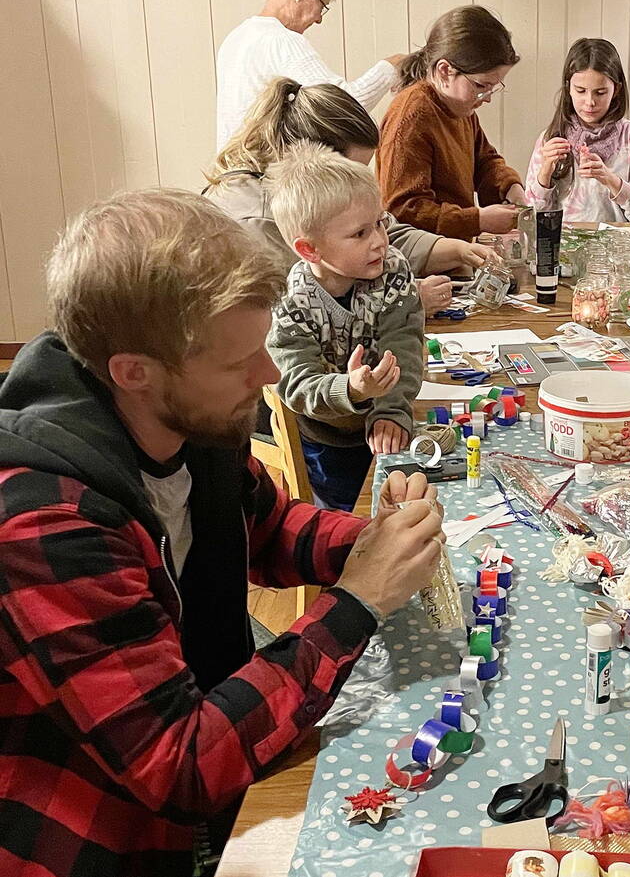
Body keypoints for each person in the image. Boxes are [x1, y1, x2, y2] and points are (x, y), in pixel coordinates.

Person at [0, 189, 444, 877]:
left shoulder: (189, 417)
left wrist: (374, 539)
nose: (267, 377)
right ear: (134, 372)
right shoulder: (44, 523)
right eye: (239, 363)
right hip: (97, 833)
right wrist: (359, 598)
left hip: (191, 751)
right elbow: (181, 766)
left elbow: (265, 528)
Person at [205, 76, 494, 311]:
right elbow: (303, 311)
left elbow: (385, 232)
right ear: (315, 162)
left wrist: (459, 250)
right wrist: (406, 301)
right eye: (352, 170)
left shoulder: (312, 191)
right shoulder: (256, 219)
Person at [267, 143, 424, 511]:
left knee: (399, 506)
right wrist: (350, 389)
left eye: (380, 223)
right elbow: (295, 384)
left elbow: (403, 344)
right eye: (359, 234)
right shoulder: (290, 301)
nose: (379, 242)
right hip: (327, 442)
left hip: (387, 418)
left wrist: (390, 410)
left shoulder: (393, 269)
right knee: (349, 522)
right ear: (310, 250)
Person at [215, 0, 404, 147]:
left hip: (230, 171)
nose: (319, 19)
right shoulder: (281, 40)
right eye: (322, 5)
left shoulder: (236, 37)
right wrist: (390, 67)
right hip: (264, 175)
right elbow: (344, 107)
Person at [377, 5, 527, 240]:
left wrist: (510, 187)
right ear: (445, 70)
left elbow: (485, 161)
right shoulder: (411, 116)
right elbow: (404, 210)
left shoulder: (460, 108)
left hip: (454, 251)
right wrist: (478, 220)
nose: (487, 97)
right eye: (481, 86)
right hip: (421, 265)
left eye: (493, 88)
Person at [524, 38, 630, 223]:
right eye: (581, 90)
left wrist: (611, 180)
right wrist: (545, 173)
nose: (590, 102)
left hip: (618, 248)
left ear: (616, 90)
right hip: (565, 248)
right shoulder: (550, 138)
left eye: (600, 92)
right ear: (568, 88)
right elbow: (532, 217)